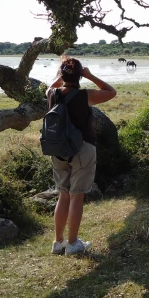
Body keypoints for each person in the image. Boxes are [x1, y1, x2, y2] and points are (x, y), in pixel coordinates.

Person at [47, 56, 116, 255]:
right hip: (82, 148)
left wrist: (60, 77)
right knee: (77, 198)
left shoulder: (51, 93)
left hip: (58, 150)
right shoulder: (85, 95)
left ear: (61, 74)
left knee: (63, 195)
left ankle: (58, 242)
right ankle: (73, 243)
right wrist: (90, 75)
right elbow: (111, 92)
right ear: (80, 75)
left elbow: (52, 85)